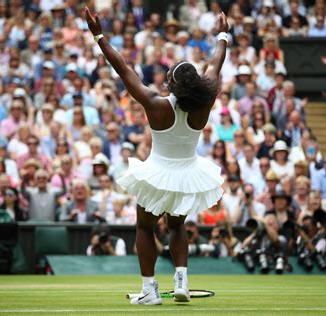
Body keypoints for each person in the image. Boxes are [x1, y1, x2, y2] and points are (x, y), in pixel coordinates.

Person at [85, 9, 228, 304]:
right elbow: (215, 64)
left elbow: (123, 68)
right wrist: (222, 35)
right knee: (177, 226)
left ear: (171, 84)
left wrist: (99, 36)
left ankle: (150, 290)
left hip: (158, 173)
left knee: (145, 227)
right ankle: (181, 283)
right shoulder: (206, 101)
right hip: (187, 173)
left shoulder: (154, 102)